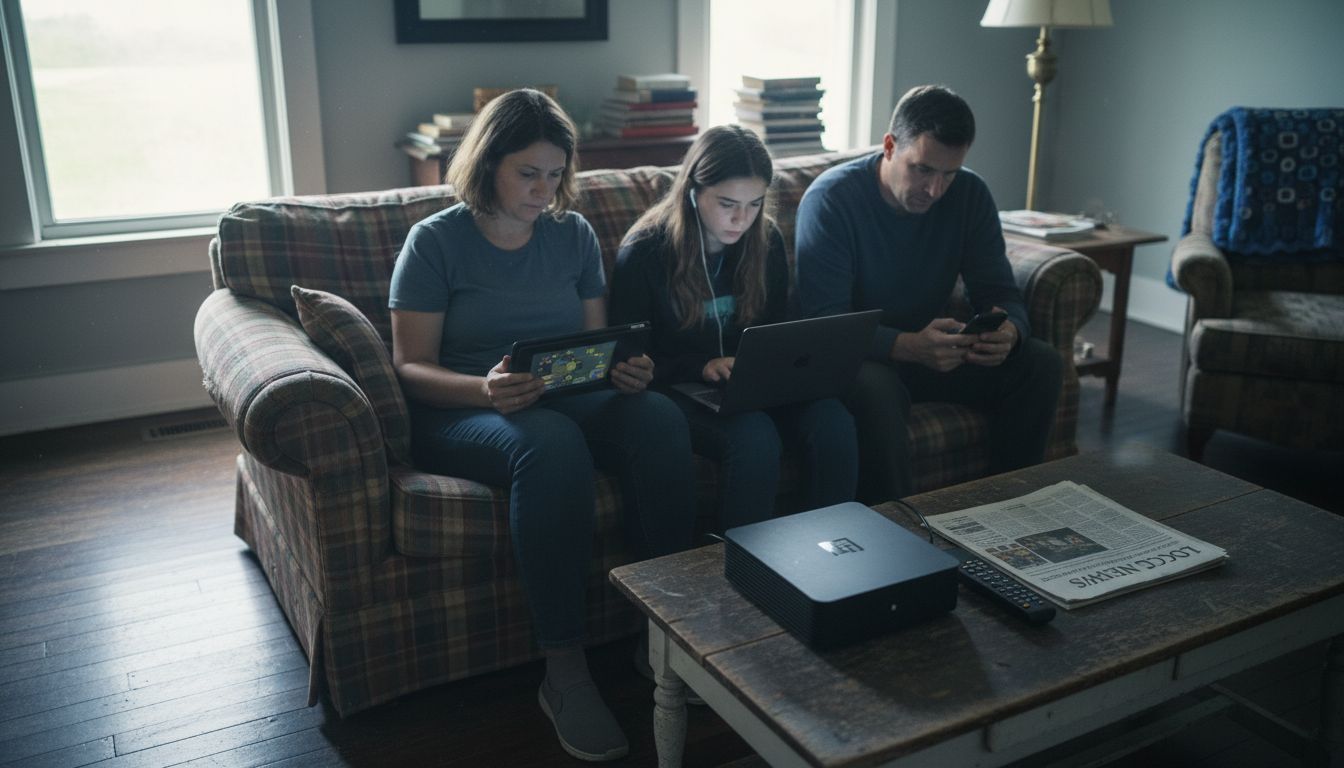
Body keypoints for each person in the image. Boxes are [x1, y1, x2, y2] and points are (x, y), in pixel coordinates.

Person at [388, 89, 694, 763]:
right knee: (552, 447)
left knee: (661, 419)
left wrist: (625, 374)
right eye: (528, 172)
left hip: (559, 393)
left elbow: (596, 347)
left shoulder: (572, 234)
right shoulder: (435, 242)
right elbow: (410, 366)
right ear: (488, 163)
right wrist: (486, 390)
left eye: (555, 173)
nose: (543, 188)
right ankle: (565, 669)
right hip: (463, 407)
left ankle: (665, 638)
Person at [795, 84, 1062, 504]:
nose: (935, 189)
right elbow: (826, 323)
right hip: (859, 360)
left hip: (938, 352)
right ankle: (898, 529)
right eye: (922, 169)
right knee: (875, 390)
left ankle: (1011, 509)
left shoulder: (970, 194)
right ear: (889, 146)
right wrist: (906, 346)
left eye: (949, 173)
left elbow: (999, 291)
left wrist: (1011, 331)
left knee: (1040, 364)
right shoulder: (832, 201)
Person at [609, 125, 858, 530]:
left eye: (755, 204)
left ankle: (832, 551)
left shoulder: (766, 240)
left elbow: (778, 328)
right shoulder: (646, 252)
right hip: (681, 391)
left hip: (756, 383)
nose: (741, 219)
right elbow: (627, 356)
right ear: (693, 191)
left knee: (833, 422)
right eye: (727, 203)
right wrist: (700, 366)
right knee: (754, 437)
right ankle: (740, 572)